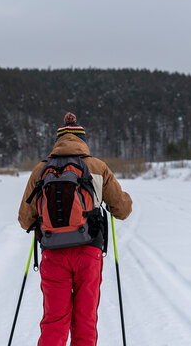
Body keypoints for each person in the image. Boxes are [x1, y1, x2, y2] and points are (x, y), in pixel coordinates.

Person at [18, 112, 132, 346]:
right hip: (88, 254)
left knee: (54, 321)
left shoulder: (41, 170)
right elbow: (122, 210)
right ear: (83, 140)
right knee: (85, 320)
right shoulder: (97, 166)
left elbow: (24, 219)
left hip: (53, 254)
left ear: (57, 142)